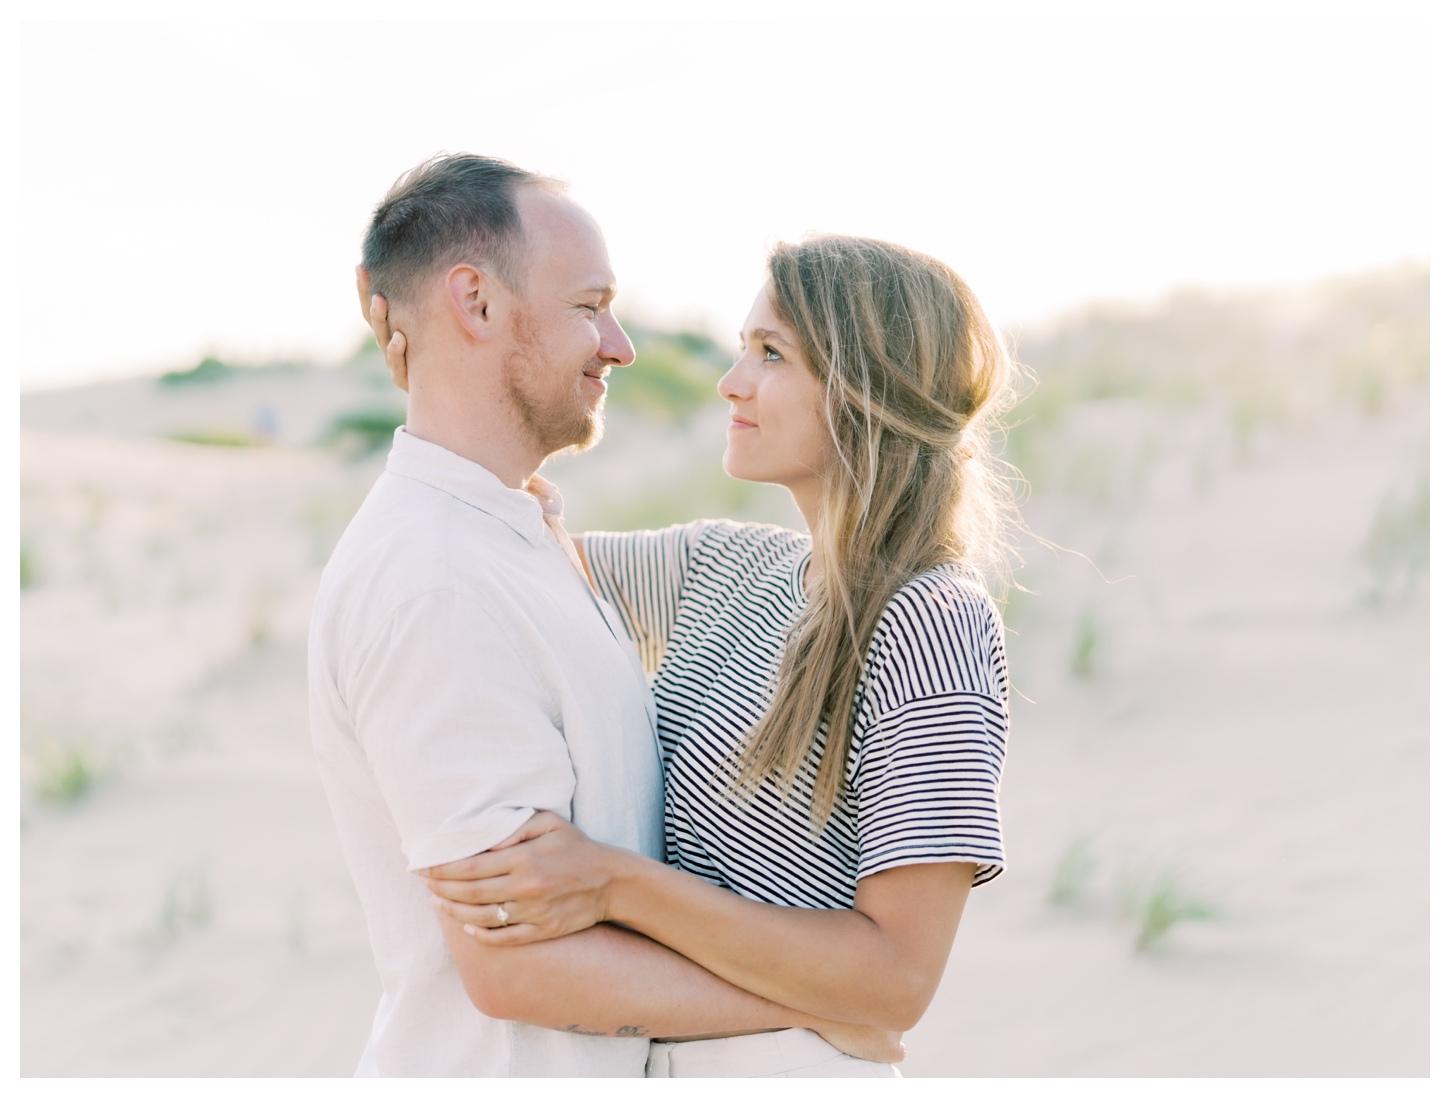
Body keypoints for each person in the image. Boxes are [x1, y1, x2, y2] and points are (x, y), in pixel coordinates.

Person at [310, 154, 900, 1078]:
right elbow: (519, 969)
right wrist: (828, 1008)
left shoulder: (514, 534)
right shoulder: (435, 579)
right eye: (590, 307)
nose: (619, 345)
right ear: (475, 302)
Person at [378, 233, 1017, 1077]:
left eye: (771, 353)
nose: (732, 381)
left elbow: (897, 977)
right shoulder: (721, 566)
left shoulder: (932, 625)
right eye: (742, 348)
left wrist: (612, 884)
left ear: (866, 388)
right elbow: (513, 551)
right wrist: (444, 364)